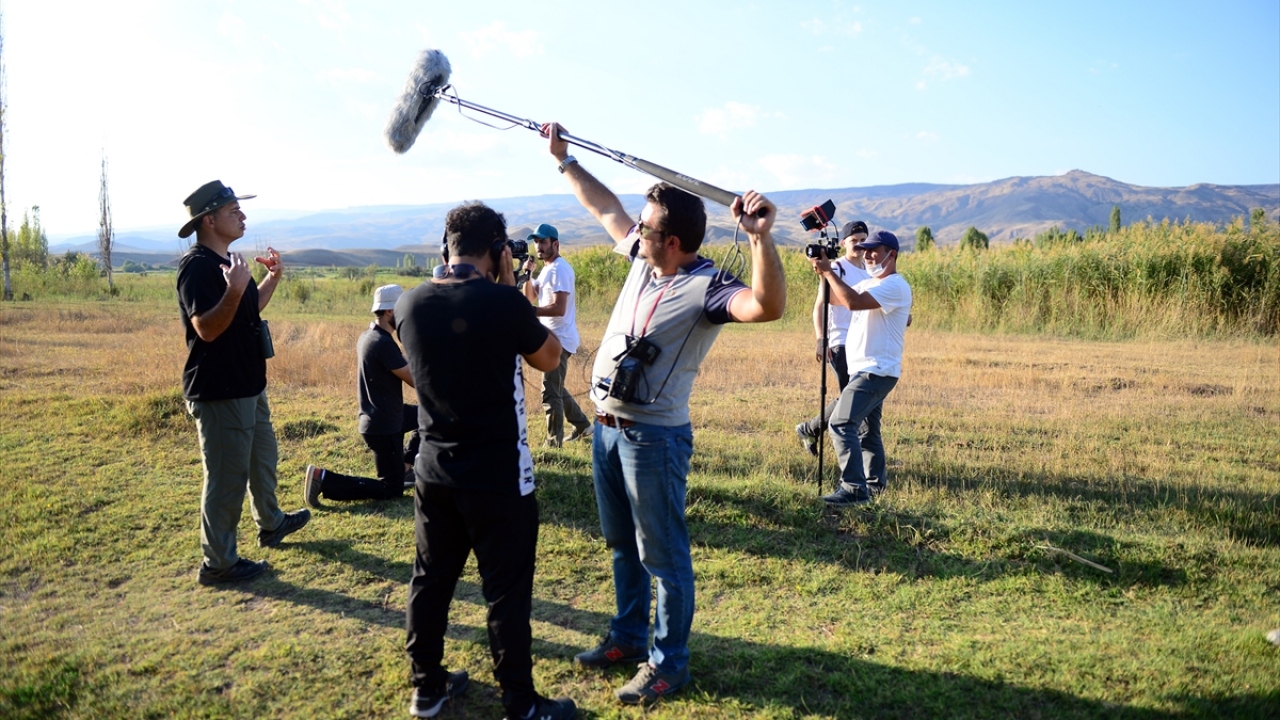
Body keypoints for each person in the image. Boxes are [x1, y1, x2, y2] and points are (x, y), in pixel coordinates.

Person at [543, 123, 786, 705]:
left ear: (673, 240)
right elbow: (604, 209)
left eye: (647, 227)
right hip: (604, 430)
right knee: (622, 543)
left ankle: (668, 664)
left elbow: (767, 306)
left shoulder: (709, 288)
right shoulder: (642, 257)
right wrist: (564, 160)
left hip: (653, 440)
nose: (636, 231)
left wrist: (759, 239)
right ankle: (626, 638)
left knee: (664, 556)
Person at [396, 202, 576, 720]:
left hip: (433, 470)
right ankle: (519, 702)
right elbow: (549, 359)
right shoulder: (504, 304)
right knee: (506, 593)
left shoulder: (409, 304)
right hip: (499, 477)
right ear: (498, 250)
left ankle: (426, 687)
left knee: (430, 581)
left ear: (445, 247)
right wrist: (509, 286)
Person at [175, 180, 310, 586]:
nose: (243, 216)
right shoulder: (197, 267)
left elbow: (246, 308)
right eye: (234, 211)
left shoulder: (231, 261)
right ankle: (218, 564)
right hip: (220, 391)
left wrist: (270, 281)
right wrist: (234, 289)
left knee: (262, 458)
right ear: (210, 220)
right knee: (226, 477)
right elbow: (208, 328)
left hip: (249, 384)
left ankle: (271, 523)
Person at [807, 230, 913, 506]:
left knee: (840, 423)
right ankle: (874, 487)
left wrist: (830, 272)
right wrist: (823, 271)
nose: (867, 255)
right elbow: (836, 299)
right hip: (868, 369)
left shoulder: (894, 285)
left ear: (892, 254)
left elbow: (853, 303)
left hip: (875, 371)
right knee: (867, 431)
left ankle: (854, 488)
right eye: (864, 250)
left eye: (873, 250)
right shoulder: (871, 283)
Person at [303, 284, 420, 506]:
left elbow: (401, 362)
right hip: (384, 426)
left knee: (429, 415)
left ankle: (404, 467)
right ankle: (324, 479)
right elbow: (415, 380)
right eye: (402, 311)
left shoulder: (370, 336)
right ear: (389, 312)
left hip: (382, 416)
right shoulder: (383, 343)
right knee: (391, 489)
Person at [795, 220, 869, 455]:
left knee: (855, 398)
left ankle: (810, 428)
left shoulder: (868, 270)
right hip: (841, 343)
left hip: (863, 342)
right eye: (854, 240)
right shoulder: (837, 268)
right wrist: (821, 338)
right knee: (855, 398)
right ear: (845, 242)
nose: (859, 244)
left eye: (863, 240)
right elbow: (820, 304)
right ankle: (815, 431)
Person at [521, 222, 593, 448]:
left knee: (550, 393)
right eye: (537, 242)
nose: (539, 247)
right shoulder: (547, 269)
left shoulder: (560, 269)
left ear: (556, 243)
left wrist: (530, 313)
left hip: (559, 340)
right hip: (552, 338)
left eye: (543, 242)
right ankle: (583, 426)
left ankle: (553, 443)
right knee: (557, 387)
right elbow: (529, 297)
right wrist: (528, 274)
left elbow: (559, 308)